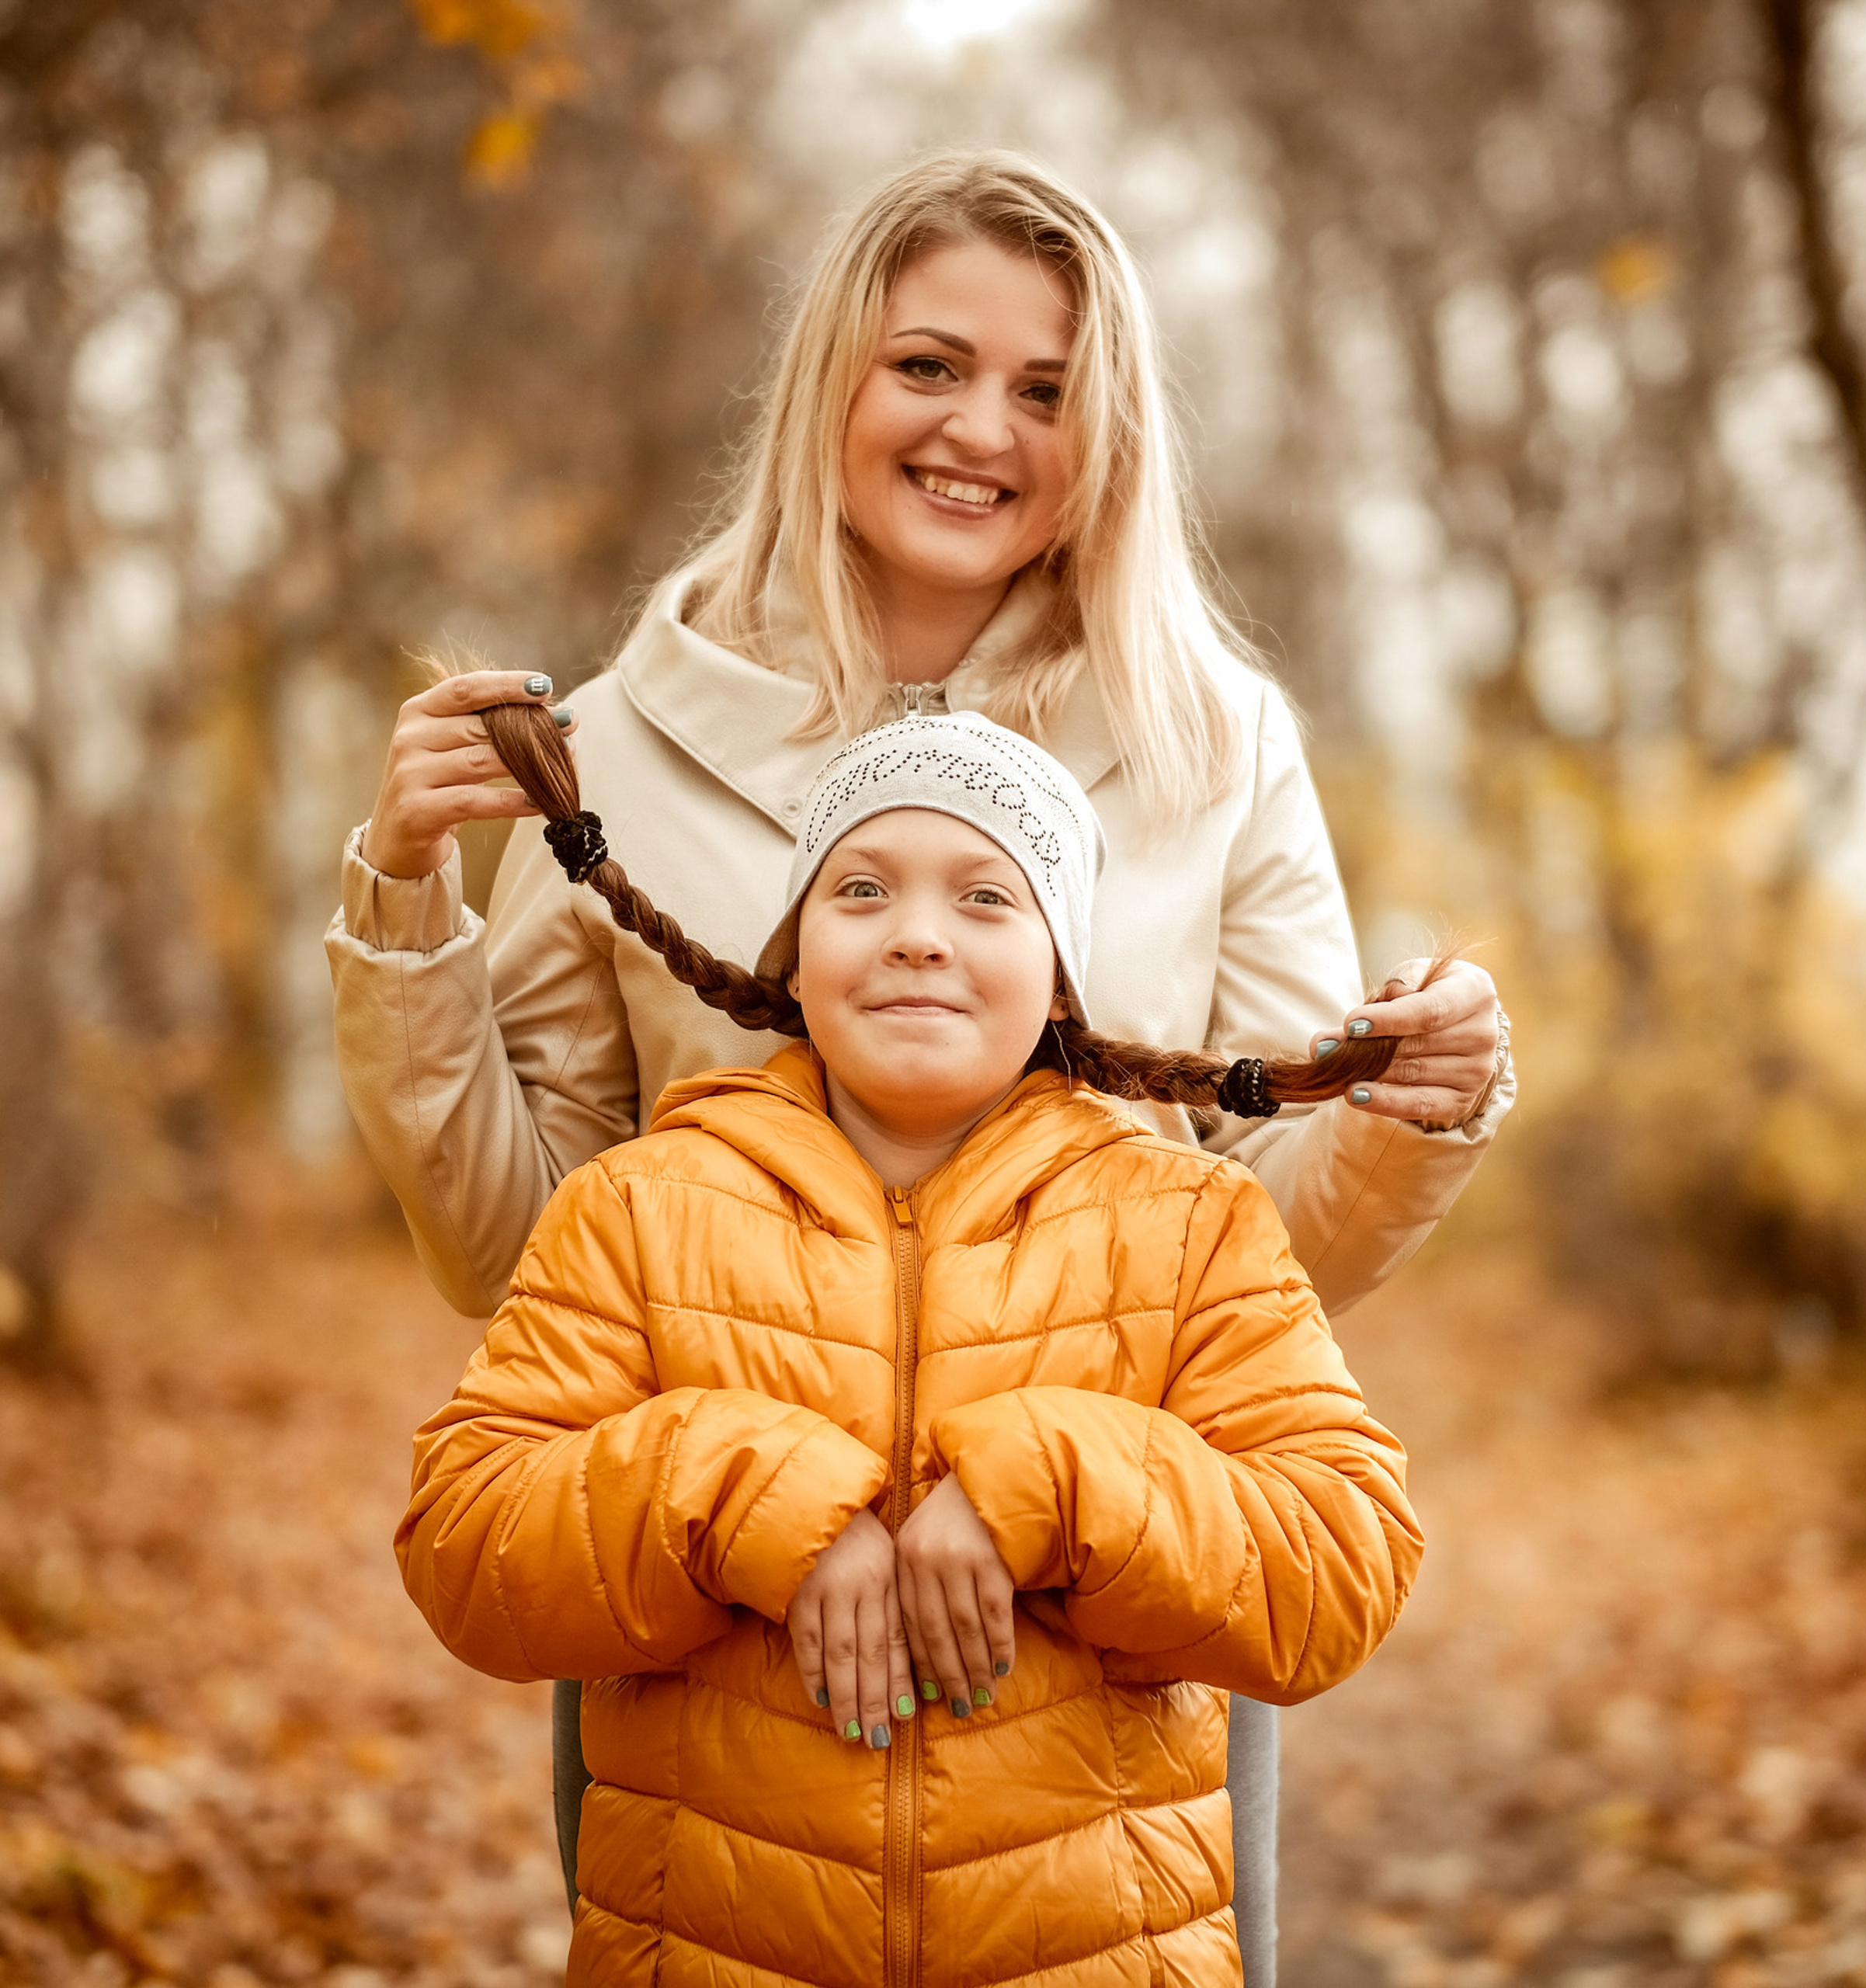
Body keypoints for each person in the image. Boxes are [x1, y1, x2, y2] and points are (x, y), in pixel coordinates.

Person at [328, 150, 1513, 1985]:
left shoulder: (1209, 737)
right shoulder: (626, 737)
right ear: (835, 383)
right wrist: (405, 903)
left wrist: (1401, 1117)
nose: (984, 428)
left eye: (1047, 389)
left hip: (1098, 1657)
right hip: (717, 1655)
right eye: (929, 366)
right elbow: (522, 1252)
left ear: (1105, 428)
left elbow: (1250, 1253)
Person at [398, 708, 1425, 1988]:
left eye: (988, 896)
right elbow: (466, 1542)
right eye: (864, 889)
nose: (919, 932)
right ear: (796, 948)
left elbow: (1342, 1556)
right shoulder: (639, 1210)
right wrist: (744, 1494)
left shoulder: (1191, 1228)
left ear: (1061, 972)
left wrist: (1054, 1484)